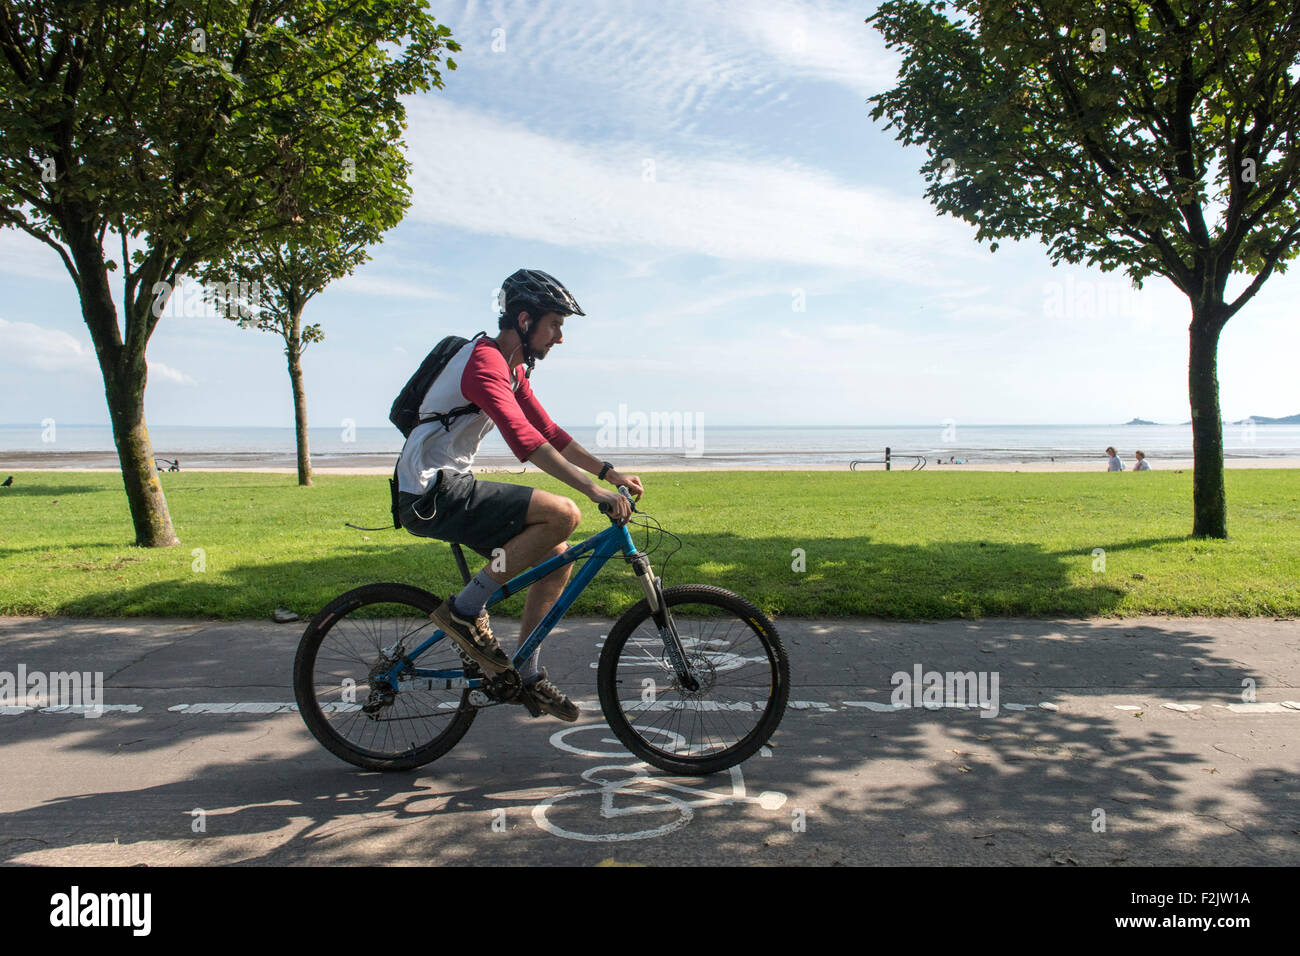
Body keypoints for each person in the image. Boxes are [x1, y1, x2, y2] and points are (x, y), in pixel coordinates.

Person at [394, 269, 643, 722]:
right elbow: (523, 440)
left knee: (557, 557)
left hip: (449, 486)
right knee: (563, 513)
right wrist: (591, 492)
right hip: (429, 490)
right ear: (525, 321)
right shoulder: (484, 361)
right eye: (555, 325)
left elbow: (548, 431)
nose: (560, 337)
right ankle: (465, 610)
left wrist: (609, 472)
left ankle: (525, 673)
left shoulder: (512, 369)